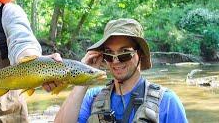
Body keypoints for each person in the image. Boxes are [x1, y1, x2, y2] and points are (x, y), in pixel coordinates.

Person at [54, 18, 188, 123]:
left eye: (125, 53)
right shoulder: (91, 98)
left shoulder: (167, 102)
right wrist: (83, 75)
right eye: (109, 54)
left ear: (140, 54)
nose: (116, 60)